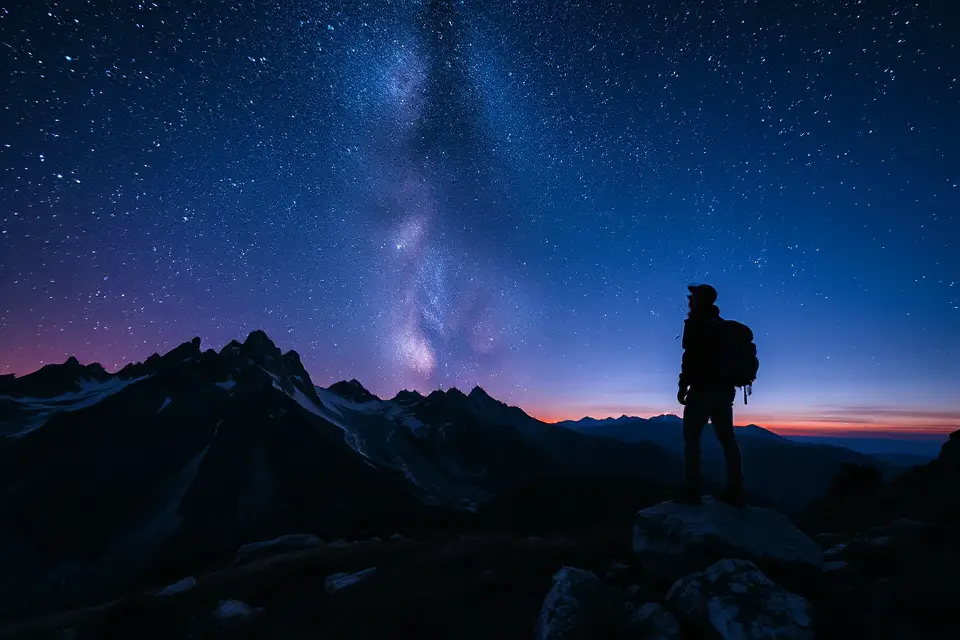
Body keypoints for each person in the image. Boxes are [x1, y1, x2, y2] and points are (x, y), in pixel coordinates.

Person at [676, 284, 745, 507]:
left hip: (702, 390)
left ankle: (692, 490)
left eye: (692, 297)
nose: (689, 300)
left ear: (699, 300)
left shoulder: (696, 323)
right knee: (728, 440)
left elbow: (690, 357)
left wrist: (683, 386)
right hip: (725, 392)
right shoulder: (723, 326)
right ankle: (736, 491)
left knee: (692, 440)